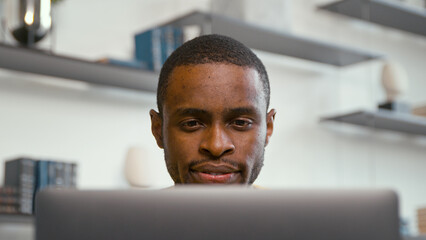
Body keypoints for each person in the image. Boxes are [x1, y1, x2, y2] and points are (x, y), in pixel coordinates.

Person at [150, 34, 276, 185]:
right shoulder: (131, 210)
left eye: (241, 123)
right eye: (192, 123)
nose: (216, 146)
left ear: (268, 128)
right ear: (158, 130)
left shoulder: (295, 210)